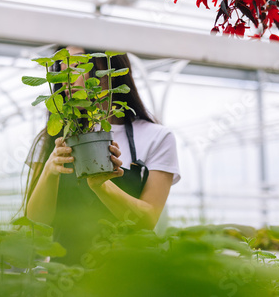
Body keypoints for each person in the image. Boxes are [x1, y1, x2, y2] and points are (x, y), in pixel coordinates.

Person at [23, 46, 181, 265]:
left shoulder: (157, 137)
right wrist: (50, 170)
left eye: (78, 66)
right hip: (64, 280)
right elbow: (37, 221)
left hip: (128, 278)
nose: (67, 79)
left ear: (108, 69)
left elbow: (147, 220)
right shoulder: (56, 135)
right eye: (62, 69)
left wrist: (101, 186)